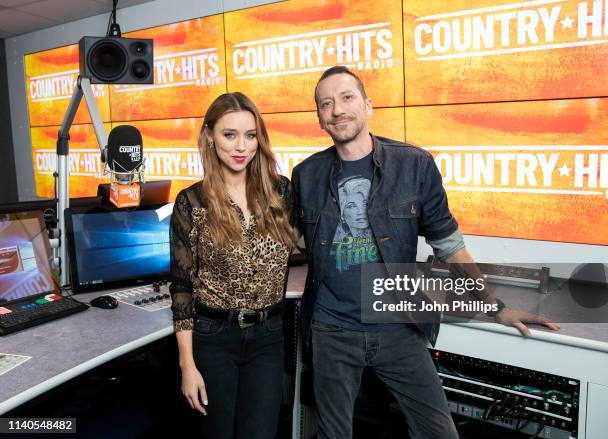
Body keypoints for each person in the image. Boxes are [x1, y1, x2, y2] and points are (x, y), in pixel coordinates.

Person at [290, 66, 561, 439]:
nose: (337, 109)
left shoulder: (414, 165)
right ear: (319, 118)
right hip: (332, 330)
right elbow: (291, 241)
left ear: (368, 105)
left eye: (347, 98)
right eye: (326, 104)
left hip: (399, 326)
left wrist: (494, 307)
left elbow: (450, 246)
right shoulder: (306, 174)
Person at [169, 92, 295, 439]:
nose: (241, 146)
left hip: (269, 338)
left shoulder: (282, 192)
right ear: (209, 135)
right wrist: (187, 365)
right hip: (213, 339)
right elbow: (181, 288)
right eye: (229, 134)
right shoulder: (191, 202)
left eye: (250, 135)